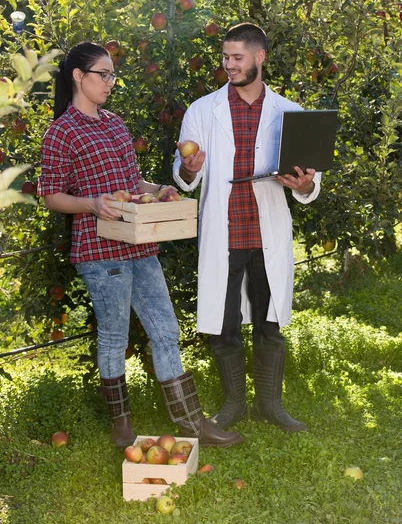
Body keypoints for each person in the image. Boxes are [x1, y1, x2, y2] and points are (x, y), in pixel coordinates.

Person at [37, 41, 242, 449]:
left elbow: (133, 185)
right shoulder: (61, 132)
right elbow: (50, 195)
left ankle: (191, 421)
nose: (111, 82)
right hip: (99, 251)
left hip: (139, 243)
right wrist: (92, 205)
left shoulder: (115, 124)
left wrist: (160, 188)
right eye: (104, 74)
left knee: (166, 329)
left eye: (113, 74)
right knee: (114, 335)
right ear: (79, 76)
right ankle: (121, 425)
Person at [173, 23, 322, 433]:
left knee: (269, 322)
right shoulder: (203, 110)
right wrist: (188, 168)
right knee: (224, 325)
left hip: (266, 231)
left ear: (259, 57)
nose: (229, 65)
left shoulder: (290, 112)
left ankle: (270, 406)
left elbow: (310, 180)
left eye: (237, 57)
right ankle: (234, 404)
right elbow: (183, 174)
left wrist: (305, 184)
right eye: (225, 57)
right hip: (225, 232)